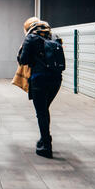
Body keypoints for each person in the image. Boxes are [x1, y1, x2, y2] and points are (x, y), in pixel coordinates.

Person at [18, 17, 63, 159]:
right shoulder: (54, 36)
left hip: (39, 79)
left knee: (41, 112)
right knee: (44, 110)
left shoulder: (31, 38)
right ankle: (44, 139)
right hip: (56, 80)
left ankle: (46, 146)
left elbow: (23, 60)